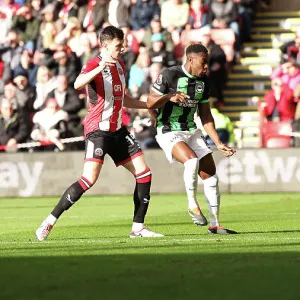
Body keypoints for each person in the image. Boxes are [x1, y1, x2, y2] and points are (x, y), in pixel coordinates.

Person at [36, 25, 163, 241]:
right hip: (98, 131)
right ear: (104, 46)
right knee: (88, 179)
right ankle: (49, 221)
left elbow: (124, 100)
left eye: (122, 44)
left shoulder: (121, 66)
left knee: (144, 173)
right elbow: (77, 84)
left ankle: (138, 227)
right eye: (117, 45)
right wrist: (100, 67)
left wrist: (149, 105)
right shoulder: (94, 64)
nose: (122, 49)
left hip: (118, 130)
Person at [147, 43, 237, 234]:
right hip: (170, 130)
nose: (206, 67)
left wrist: (218, 143)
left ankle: (215, 225)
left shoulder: (204, 83)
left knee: (211, 178)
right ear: (190, 59)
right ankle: (192, 205)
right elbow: (149, 102)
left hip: (192, 131)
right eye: (203, 62)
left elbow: (205, 116)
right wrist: (168, 97)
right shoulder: (170, 75)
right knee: (192, 161)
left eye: (208, 63)